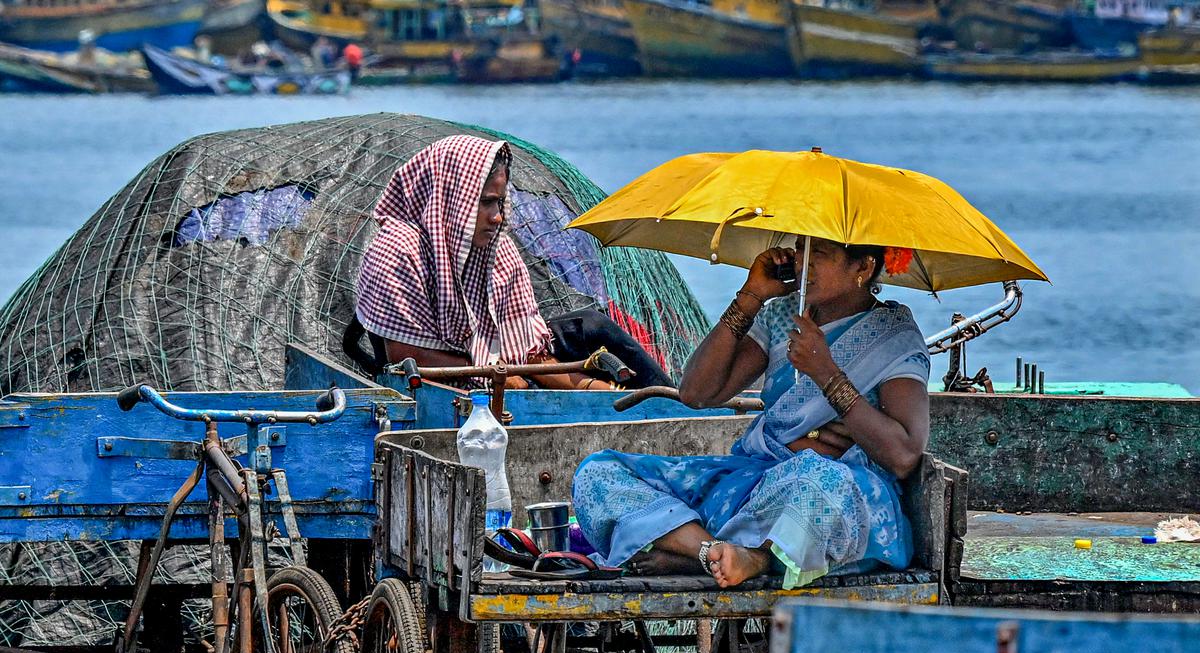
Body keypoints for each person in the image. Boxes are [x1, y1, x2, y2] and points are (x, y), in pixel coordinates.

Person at [572, 238, 931, 588]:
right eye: (801, 249)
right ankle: (712, 552)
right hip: (757, 480)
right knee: (599, 473)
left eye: (819, 253)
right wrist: (752, 297)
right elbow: (697, 393)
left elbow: (902, 456)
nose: (803, 264)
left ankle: (753, 557)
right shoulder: (783, 316)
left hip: (835, 497)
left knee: (816, 478)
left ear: (863, 267)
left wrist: (826, 373)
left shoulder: (893, 334)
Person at [350, 134, 672, 391]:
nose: (497, 216)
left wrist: (594, 390)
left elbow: (532, 356)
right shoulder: (398, 249)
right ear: (451, 199)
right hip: (441, 385)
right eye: (486, 203)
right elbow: (405, 355)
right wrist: (495, 374)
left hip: (501, 368)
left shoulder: (497, 249)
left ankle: (669, 405)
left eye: (500, 202)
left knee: (592, 325)